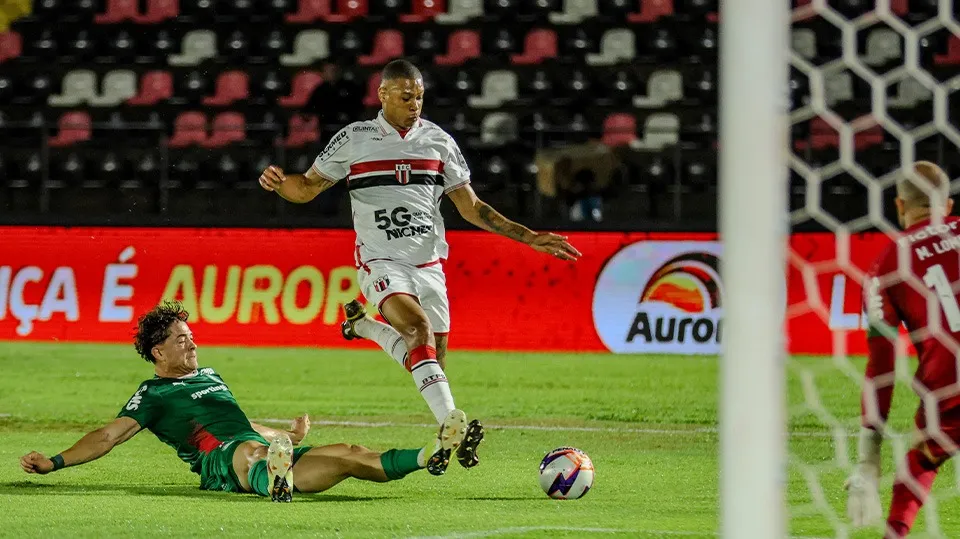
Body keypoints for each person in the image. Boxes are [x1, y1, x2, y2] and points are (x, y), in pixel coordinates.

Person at [257, 59, 582, 470]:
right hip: (380, 260)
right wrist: (278, 182)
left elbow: (472, 208)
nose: (414, 104)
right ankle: (453, 427)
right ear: (383, 95)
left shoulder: (439, 142)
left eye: (420, 96)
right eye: (406, 96)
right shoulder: (355, 138)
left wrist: (530, 237)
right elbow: (305, 188)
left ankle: (364, 327)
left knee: (428, 359)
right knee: (417, 330)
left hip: (430, 266)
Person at [19, 301, 470, 502]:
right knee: (249, 451)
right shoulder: (152, 394)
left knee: (349, 455)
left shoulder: (211, 376)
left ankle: (430, 454)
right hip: (221, 462)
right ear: (158, 352)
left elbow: (243, 422)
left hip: (256, 446)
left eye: (192, 337)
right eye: (181, 340)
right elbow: (106, 437)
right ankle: (272, 476)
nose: (192, 344)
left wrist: (287, 435)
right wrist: (54, 462)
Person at [846, 161, 960, 537]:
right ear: (949, 206)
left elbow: (881, 368)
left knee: (920, 462)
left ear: (899, 206)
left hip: (951, 390)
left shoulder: (884, 267)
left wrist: (868, 461)